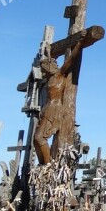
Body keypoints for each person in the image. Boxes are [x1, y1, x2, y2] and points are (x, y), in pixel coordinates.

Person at [33, 35, 86, 164]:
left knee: (40, 138)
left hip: (55, 108)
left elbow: (71, 59)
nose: (44, 68)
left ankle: (48, 165)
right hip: (47, 108)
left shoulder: (59, 74)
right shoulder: (49, 79)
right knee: (36, 139)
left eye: (46, 65)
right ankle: (43, 165)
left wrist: (79, 43)